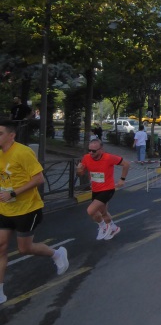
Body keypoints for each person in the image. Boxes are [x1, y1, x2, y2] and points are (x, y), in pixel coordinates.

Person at [0, 120, 69, 304]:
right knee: (1, 247)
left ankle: (57, 254)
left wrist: (13, 193)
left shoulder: (23, 152)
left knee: (25, 249)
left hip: (27, 209)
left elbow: (38, 179)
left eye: (0, 133)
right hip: (5, 209)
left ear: (11, 135)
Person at [77, 139, 130, 240]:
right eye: (89, 150)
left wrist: (122, 179)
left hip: (108, 189)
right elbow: (81, 174)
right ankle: (113, 228)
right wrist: (78, 170)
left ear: (101, 150)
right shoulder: (86, 158)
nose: (91, 153)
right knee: (103, 213)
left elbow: (126, 164)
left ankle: (104, 227)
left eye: (94, 151)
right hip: (96, 189)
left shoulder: (108, 157)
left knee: (91, 210)